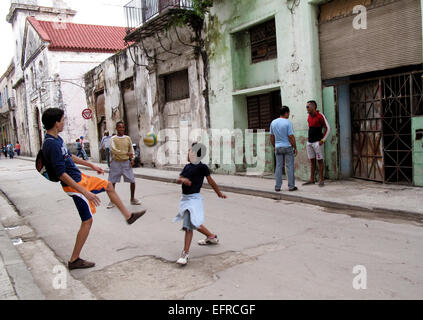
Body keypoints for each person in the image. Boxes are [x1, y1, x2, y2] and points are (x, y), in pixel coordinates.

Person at [41, 108, 146, 270]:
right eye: (62, 120)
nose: (64, 123)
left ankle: (128, 216)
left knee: (108, 185)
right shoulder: (50, 145)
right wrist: (85, 192)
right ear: (56, 123)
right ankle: (74, 260)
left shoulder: (57, 139)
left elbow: (69, 157)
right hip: (74, 186)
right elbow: (61, 174)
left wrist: (90, 164)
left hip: (80, 178)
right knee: (87, 221)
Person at [174, 142, 227, 265]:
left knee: (188, 225)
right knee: (195, 223)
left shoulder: (202, 167)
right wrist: (183, 180)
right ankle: (212, 237)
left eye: (189, 151)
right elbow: (178, 179)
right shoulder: (187, 167)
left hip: (194, 199)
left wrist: (219, 193)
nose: (188, 152)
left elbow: (211, 182)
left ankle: (185, 254)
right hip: (185, 199)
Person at [107, 121, 141, 208]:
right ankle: (112, 201)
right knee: (112, 182)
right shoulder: (113, 139)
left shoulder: (127, 138)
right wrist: (126, 153)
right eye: (119, 127)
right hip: (116, 162)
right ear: (116, 128)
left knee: (132, 181)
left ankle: (132, 199)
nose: (121, 129)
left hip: (126, 163)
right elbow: (114, 150)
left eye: (123, 127)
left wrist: (132, 158)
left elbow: (131, 149)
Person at [302, 100, 331, 187]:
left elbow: (328, 128)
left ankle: (321, 180)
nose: (306, 108)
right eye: (306, 107)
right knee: (312, 161)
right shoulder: (309, 117)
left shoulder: (320, 116)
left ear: (313, 107)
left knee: (320, 161)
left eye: (308, 107)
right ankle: (312, 179)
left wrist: (322, 140)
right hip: (309, 142)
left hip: (317, 143)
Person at [270, 106, 298, 192]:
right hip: (287, 147)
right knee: (289, 166)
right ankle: (291, 186)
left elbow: (271, 136)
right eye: (288, 113)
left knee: (278, 166)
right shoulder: (287, 122)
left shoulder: (273, 122)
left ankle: (277, 186)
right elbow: (291, 136)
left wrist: (274, 146)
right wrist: (295, 147)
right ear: (286, 113)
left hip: (278, 147)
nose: (289, 114)